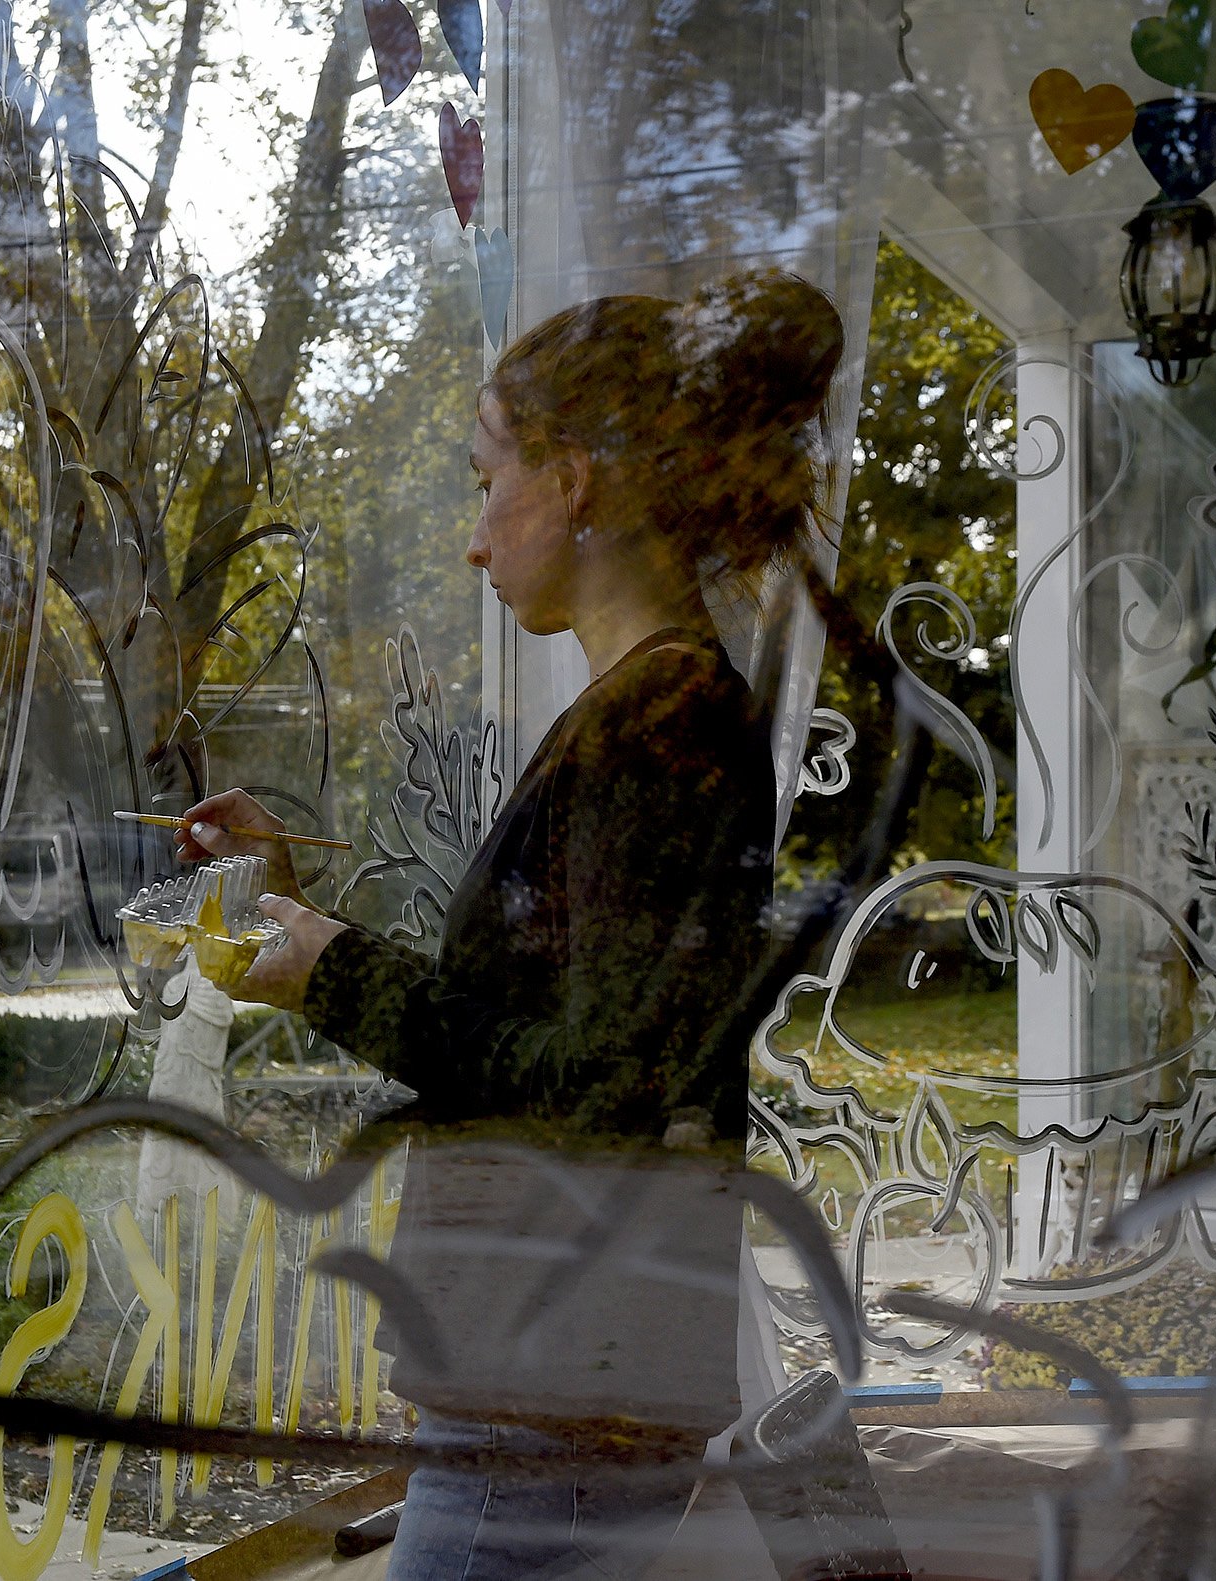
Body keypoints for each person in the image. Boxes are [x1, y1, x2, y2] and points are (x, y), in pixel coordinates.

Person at [176, 272, 845, 1579]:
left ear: (575, 479)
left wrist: (334, 975)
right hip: (577, 1382)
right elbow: (564, 1025)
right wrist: (306, 919)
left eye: (486, 484)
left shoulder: (658, 728)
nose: (474, 540)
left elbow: (597, 1091)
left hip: (557, 1396)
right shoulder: (671, 711)